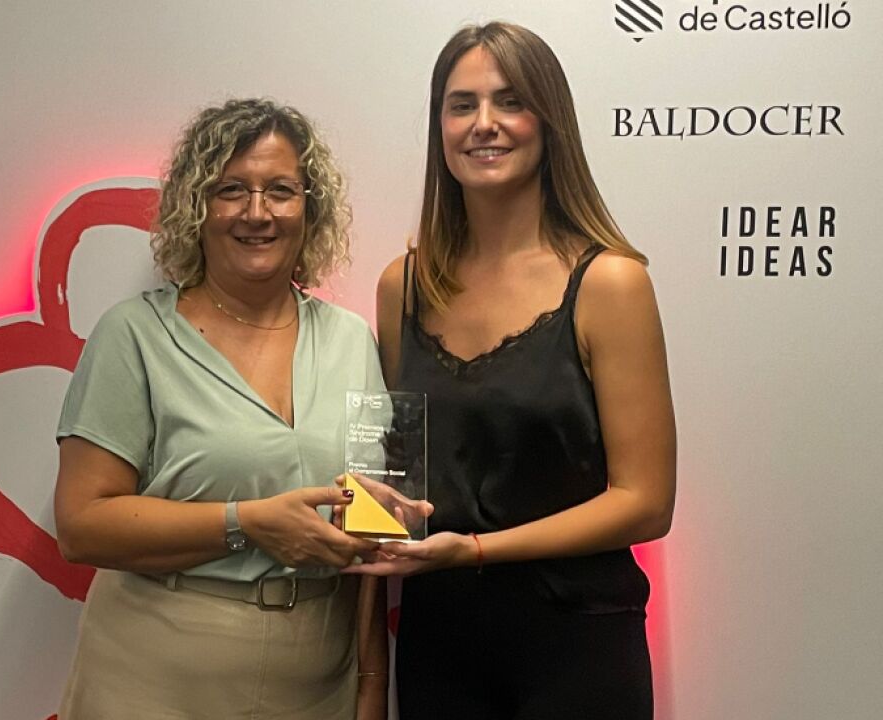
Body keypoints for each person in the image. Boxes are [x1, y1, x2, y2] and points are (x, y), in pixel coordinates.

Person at [348, 22, 677, 719]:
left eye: (510, 101)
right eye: (461, 105)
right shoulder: (401, 288)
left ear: (549, 121)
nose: (484, 124)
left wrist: (475, 550)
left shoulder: (609, 283)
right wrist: (368, 515)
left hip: (577, 642)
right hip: (439, 645)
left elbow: (646, 502)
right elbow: (399, 472)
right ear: (440, 128)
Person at [53, 98, 390, 719]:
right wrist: (247, 522)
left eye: (280, 190)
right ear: (196, 207)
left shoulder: (350, 339)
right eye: (231, 189)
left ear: (310, 208)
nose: (257, 213)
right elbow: (81, 526)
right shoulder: (135, 336)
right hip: (156, 676)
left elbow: (367, 528)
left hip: (318, 682)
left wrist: (372, 683)